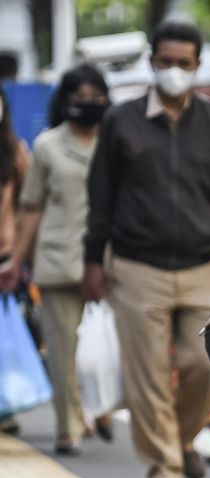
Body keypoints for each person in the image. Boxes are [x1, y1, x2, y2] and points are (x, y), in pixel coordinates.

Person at [83, 20, 210, 478]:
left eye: (184, 63)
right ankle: (164, 466)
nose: (174, 71)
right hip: (136, 266)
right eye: (165, 62)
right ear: (151, 62)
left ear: (197, 65)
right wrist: (93, 262)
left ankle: (180, 439)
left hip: (202, 265)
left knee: (204, 363)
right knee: (148, 376)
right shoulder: (122, 120)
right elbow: (100, 196)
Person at [5, 65, 114, 455]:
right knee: (63, 348)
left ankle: (103, 407)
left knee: (113, 347)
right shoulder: (48, 145)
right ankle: (69, 426)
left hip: (113, 263)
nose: (87, 105)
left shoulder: (117, 142)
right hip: (59, 261)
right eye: (78, 97)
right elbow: (31, 207)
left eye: (95, 97)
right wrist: (16, 260)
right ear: (64, 102)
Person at [0, 83, 31, 436]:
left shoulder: (15, 152)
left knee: (5, 336)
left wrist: (23, 254)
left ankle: (4, 406)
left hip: (5, 255)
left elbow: (31, 204)